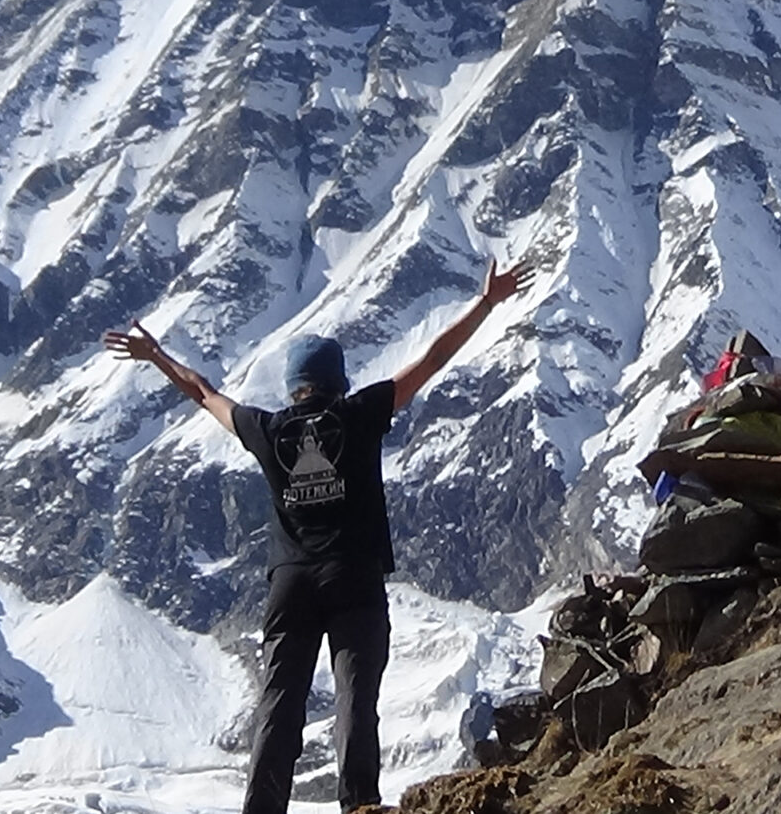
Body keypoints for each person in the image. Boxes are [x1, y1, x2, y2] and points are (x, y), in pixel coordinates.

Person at [104, 258, 535, 813]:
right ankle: (358, 805)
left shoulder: (269, 429)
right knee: (356, 698)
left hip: (290, 581)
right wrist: (486, 303)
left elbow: (203, 393)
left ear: (292, 388)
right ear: (338, 381)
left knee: (279, 703)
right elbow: (432, 360)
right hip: (353, 574)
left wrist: (156, 355)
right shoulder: (358, 414)